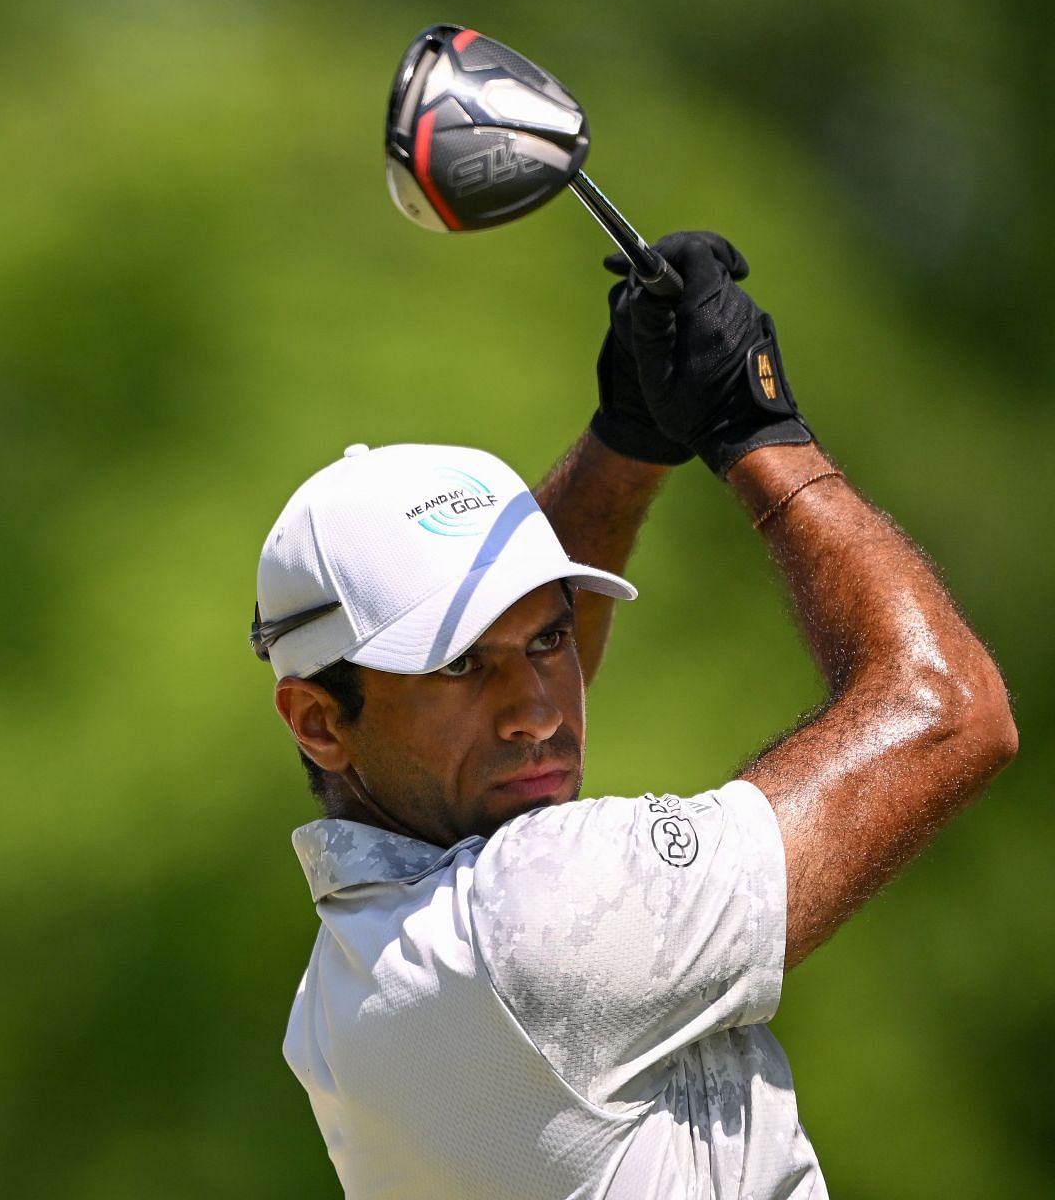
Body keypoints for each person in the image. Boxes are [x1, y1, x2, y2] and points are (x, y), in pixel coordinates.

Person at [249, 232, 1017, 1199]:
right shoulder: (528, 919)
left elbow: (516, 719)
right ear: (319, 721)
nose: (536, 711)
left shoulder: (345, 988)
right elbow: (948, 708)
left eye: (548, 641)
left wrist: (629, 438)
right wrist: (757, 432)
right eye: (459, 667)